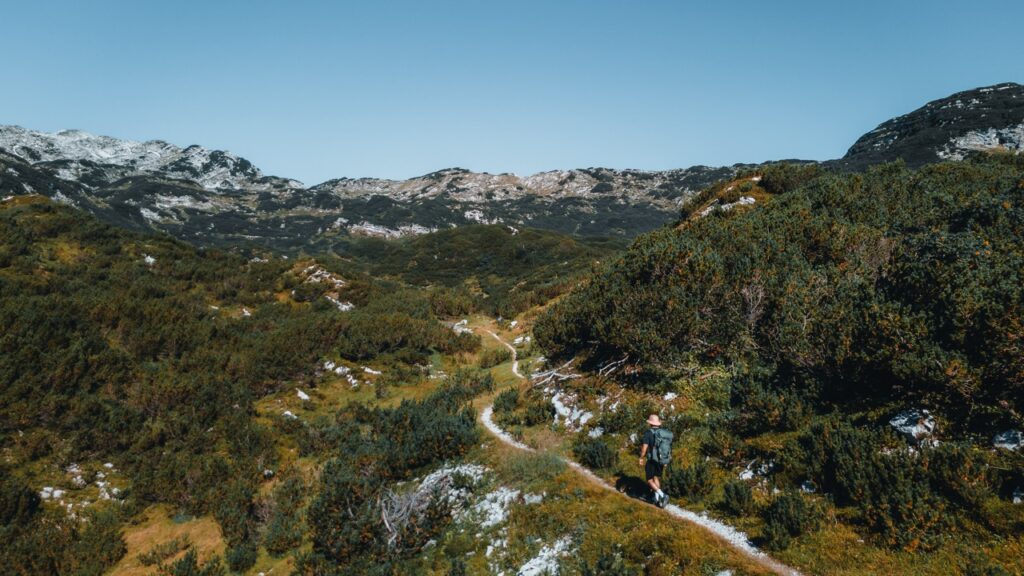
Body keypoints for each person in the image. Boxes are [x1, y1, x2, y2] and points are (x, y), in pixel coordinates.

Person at [639, 414, 671, 507]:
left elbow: (644, 448)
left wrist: (641, 457)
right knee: (656, 478)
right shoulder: (663, 433)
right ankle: (657, 500)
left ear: (650, 423)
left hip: (652, 459)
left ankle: (663, 495)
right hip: (661, 459)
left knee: (649, 480)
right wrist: (666, 460)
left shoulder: (648, 433)